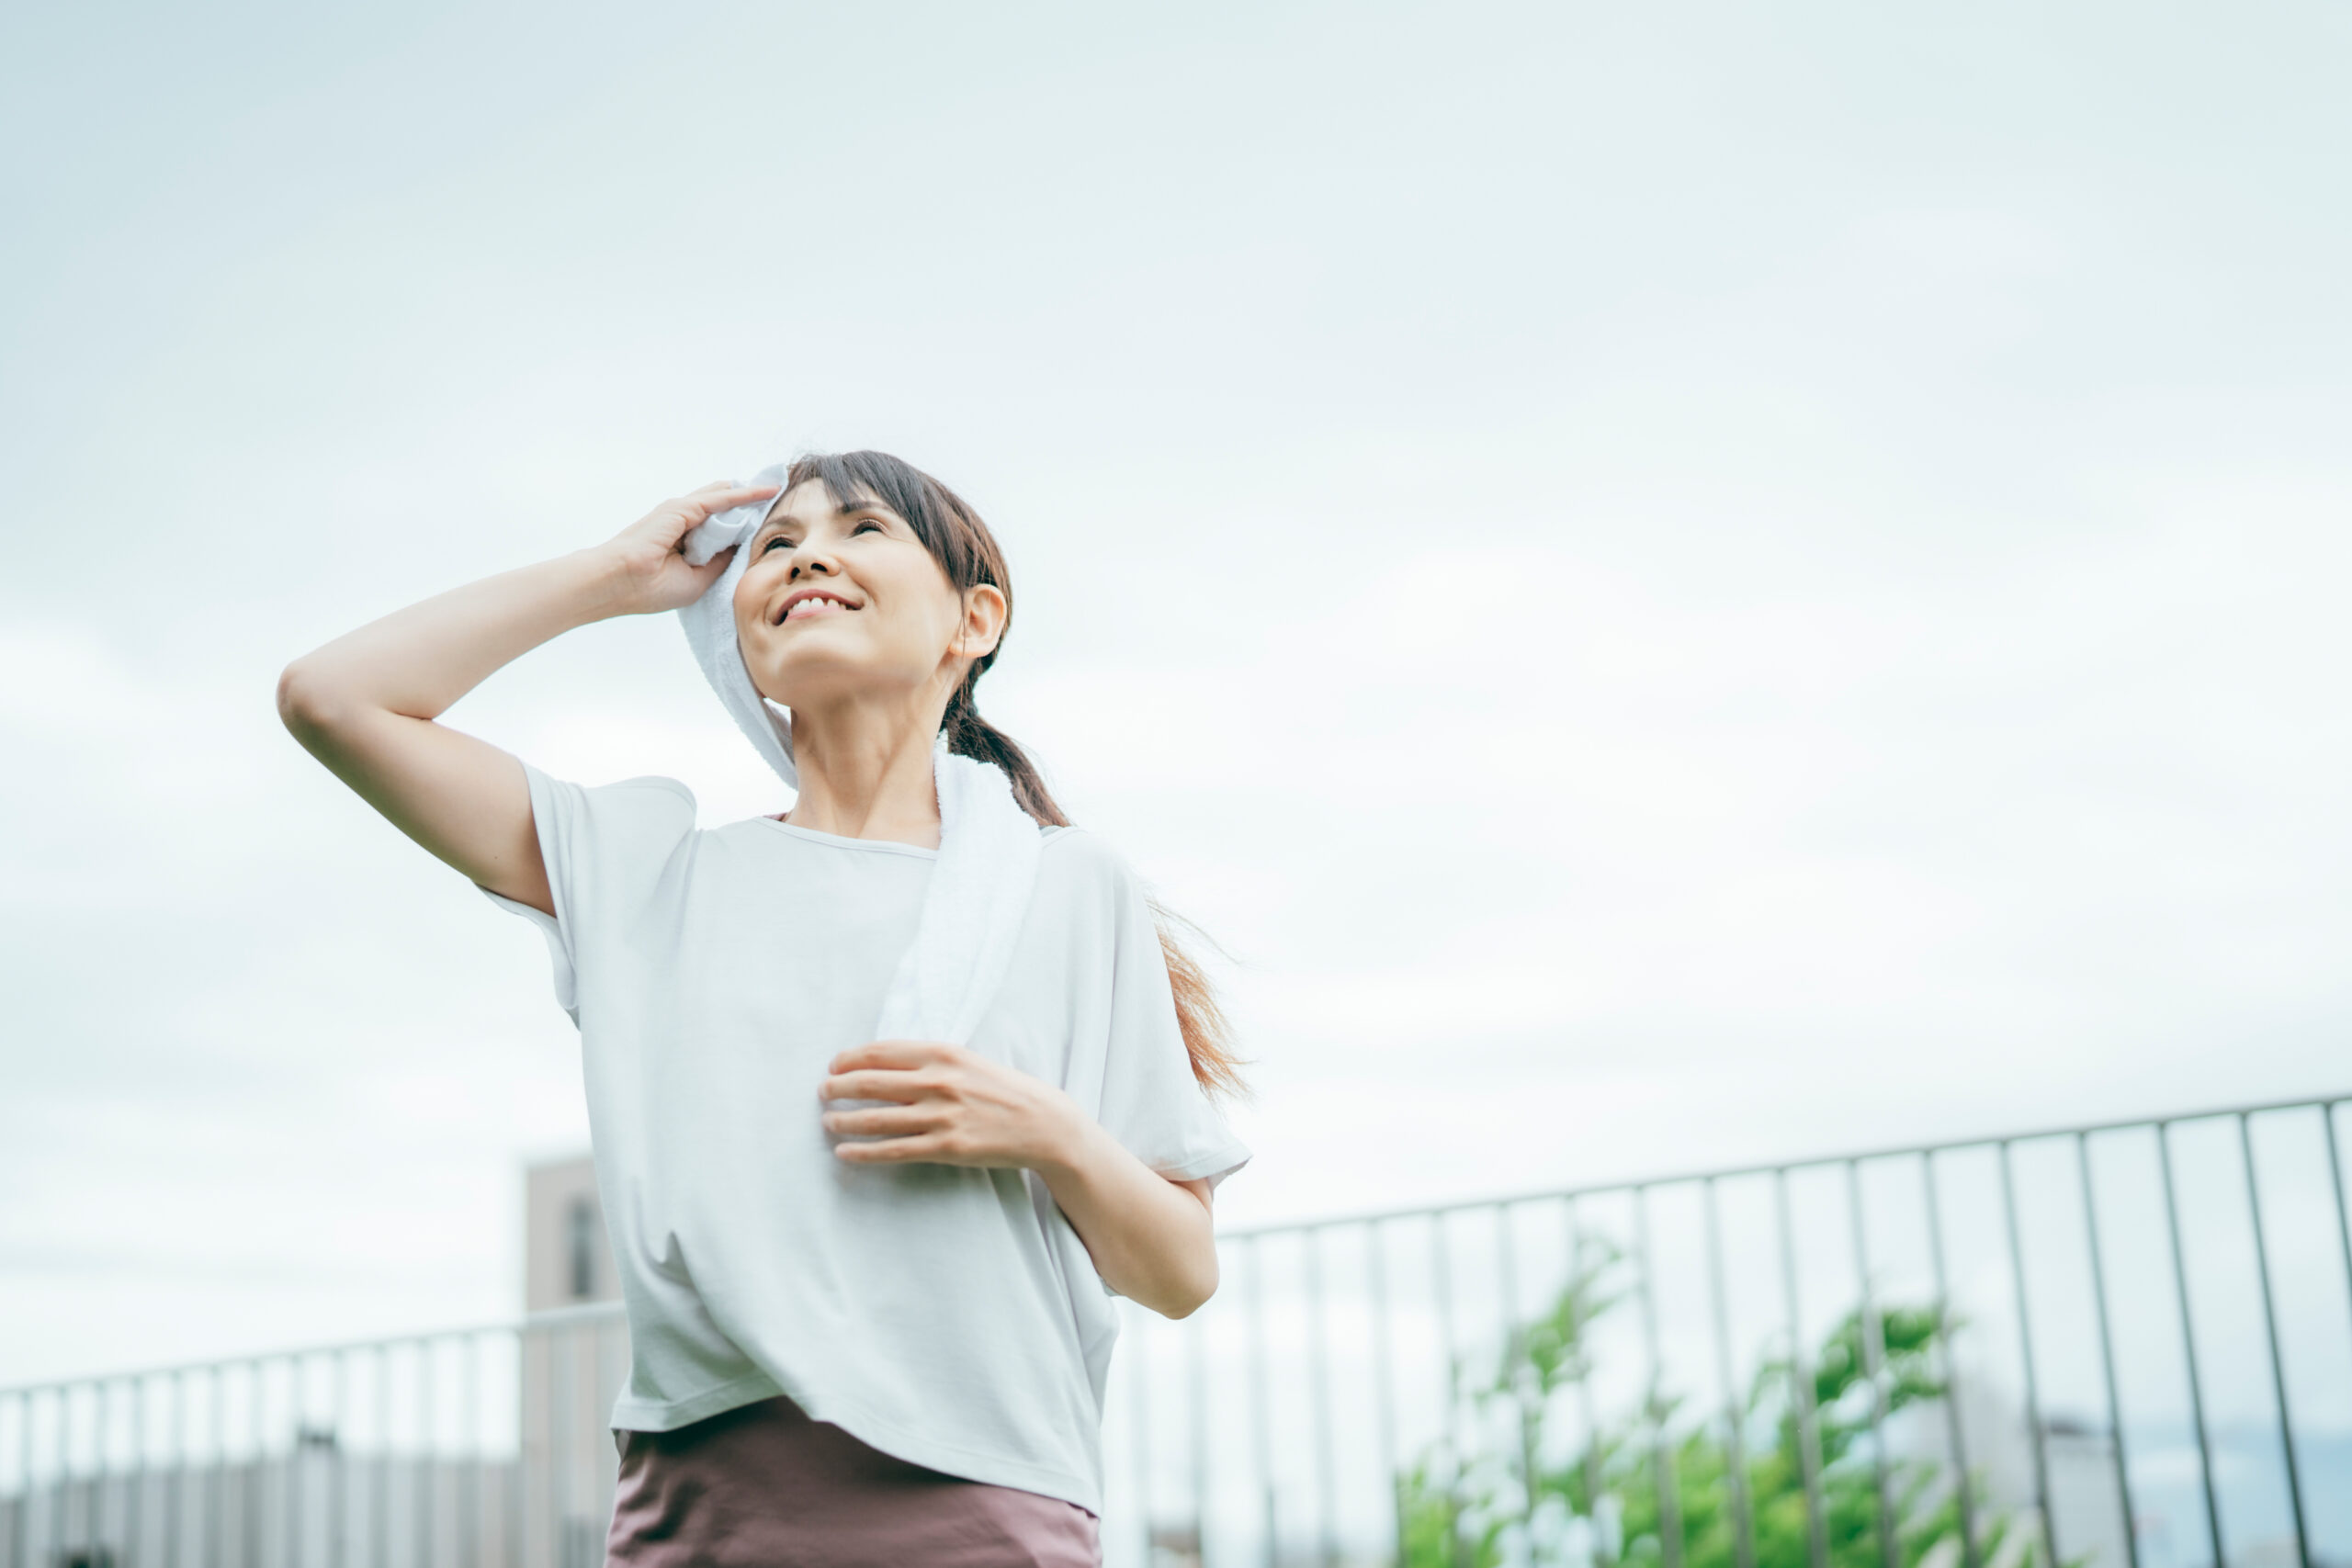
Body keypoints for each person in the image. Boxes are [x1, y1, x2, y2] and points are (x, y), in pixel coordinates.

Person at [277, 450, 1253, 1567]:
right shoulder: (646, 875)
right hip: (705, 1507)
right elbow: (333, 698)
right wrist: (612, 576)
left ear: (972, 620)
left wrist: (1048, 1135)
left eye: (862, 530)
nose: (808, 557)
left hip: (989, 1500)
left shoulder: (1068, 886)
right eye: (776, 544)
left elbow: (1178, 1272)